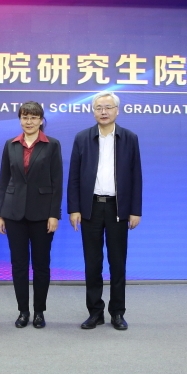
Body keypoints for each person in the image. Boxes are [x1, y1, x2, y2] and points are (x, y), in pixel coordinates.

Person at [68, 90, 142, 331]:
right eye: (99, 107)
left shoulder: (129, 138)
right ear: (93, 112)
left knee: (117, 263)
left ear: (117, 111)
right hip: (90, 208)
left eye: (108, 107)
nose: (104, 111)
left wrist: (135, 210)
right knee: (92, 263)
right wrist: (74, 209)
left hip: (118, 208)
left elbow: (136, 176)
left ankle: (117, 313)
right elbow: (74, 177)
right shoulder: (82, 138)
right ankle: (95, 312)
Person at [0, 102, 63, 329]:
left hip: (42, 214)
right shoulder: (10, 144)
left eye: (34, 117)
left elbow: (57, 182)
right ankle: (23, 311)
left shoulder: (52, 144)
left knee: (41, 265)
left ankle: (39, 312)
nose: (29, 121)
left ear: (41, 120)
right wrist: (1, 214)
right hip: (13, 213)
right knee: (19, 264)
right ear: (20, 120)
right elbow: (4, 181)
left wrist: (54, 214)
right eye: (25, 117)